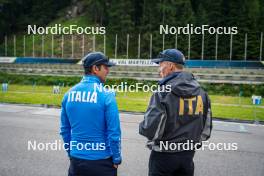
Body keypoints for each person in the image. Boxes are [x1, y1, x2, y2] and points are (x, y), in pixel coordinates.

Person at [139, 49, 212, 176]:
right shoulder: (201, 92)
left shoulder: (162, 91)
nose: (159, 69)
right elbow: (206, 128)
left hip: (164, 157)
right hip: (188, 156)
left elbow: (149, 129)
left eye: (160, 65)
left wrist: (142, 127)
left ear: (170, 66)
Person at [60, 52, 121, 176]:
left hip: (77, 161)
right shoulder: (107, 95)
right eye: (106, 67)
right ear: (95, 69)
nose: (108, 70)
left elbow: (65, 130)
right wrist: (116, 158)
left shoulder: (68, 94)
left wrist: (71, 153)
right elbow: (114, 133)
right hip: (101, 162)